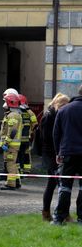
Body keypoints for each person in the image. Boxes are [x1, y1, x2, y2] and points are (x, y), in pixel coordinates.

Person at [52, 86, 82, 225]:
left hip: (68, 152)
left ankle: (60, 217)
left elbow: (56, 134)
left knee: (65, 187)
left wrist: (58, 152)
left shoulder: (64, 109)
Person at [41, 93, 70, 221]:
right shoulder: (49, 116)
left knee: (60, 185)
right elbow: (47, 138)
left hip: (56, 153)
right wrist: (56, 154)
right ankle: (47, 212)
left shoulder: (55, 114)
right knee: (53, 183)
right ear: (60, 104)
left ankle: (61, 213)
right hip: (51, 155)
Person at [0, 93, 22, 190]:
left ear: (10, 103)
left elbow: (12, 131)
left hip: (11, 145)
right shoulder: (13, 114)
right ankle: (16, 182)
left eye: (5, 102)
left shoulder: (13, 116)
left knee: (10, 164)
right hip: (12, 145)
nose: (4, 104)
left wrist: (6, 143)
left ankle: (10, 184)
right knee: (13, 163)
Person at [17, 94, 38, 178]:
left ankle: (20, 172)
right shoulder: (29, 113)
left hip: (18, 139)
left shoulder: (16, 113)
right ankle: (26, 170)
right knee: (26, 155)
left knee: (19, 155)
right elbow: (35, 123)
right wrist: (31, 131)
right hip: (27, 139)